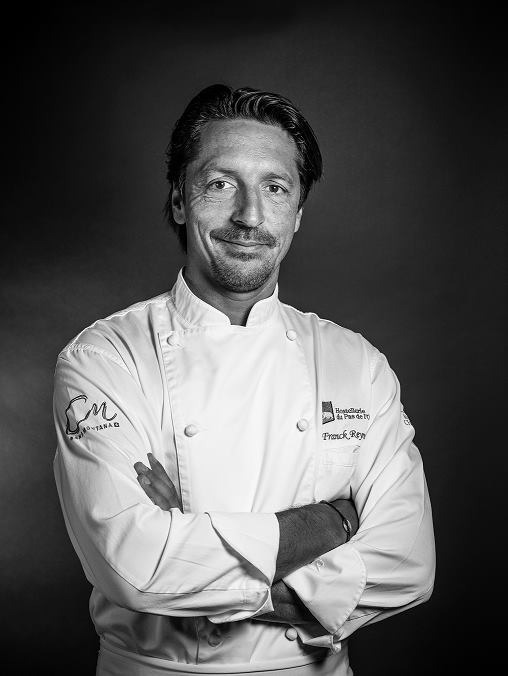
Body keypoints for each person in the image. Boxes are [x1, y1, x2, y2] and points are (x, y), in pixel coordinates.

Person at [53, 84, 435, 676]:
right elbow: (134, 567)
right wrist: (331, 523)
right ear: (180, 200)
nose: (250, 216)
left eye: (275, 188)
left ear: (298, 213)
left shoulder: (356, 363)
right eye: (220, 183)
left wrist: (190, 544)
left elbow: (409, 566)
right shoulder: (104, 358)